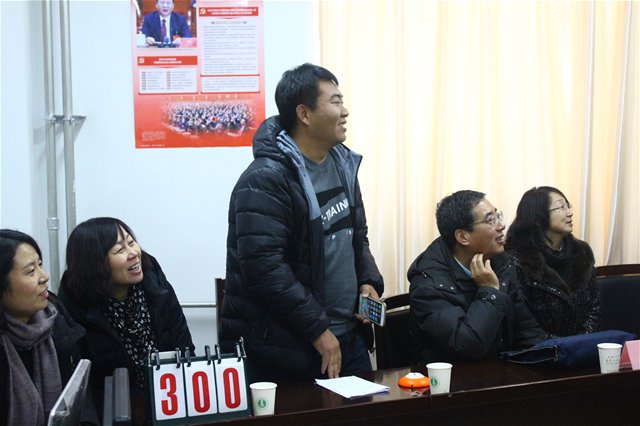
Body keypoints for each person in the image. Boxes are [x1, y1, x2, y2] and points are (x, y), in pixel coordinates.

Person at [220, 63, 384, 381]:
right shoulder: (266, 179)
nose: (345, 111)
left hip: (349, 337)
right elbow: (265, 269)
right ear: (304, 114)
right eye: (335, 101)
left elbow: (357, 236)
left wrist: (368, 281)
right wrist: (318, 330)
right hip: (291, 346)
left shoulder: (343, 164)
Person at [58, 217, 194, 421]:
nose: (133, 253)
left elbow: (184, 348)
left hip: (168, 401)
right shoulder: (74, 307)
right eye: (120, 250)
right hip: (112, 414)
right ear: (94, 263)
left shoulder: (155, 283)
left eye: (131, 242)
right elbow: (84, 387)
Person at [408, 190, 547, 365]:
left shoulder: (500, 262)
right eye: (490, 220)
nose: (501, 225)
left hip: (500, 372)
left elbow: (528, 332)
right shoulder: (428, 284)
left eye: (498, 216)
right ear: (462, 236)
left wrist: (552, 355)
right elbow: (467, 345)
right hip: (452, 378)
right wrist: (489, 292)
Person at [0, 229, 97, 425]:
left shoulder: (55, 320)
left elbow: (79, 394)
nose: (44, 277)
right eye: (31, 271)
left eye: (40, 265)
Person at [505, 186, 602, 336]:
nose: (570, 212)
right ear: (538, 218)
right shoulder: (516, 259)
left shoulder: (582, 251)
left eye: (568, 205)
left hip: (582, 345)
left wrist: (581, 341)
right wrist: (558, 346)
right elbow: (523, 322)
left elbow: (594, 307)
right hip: (540, 347)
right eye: (561, 207)